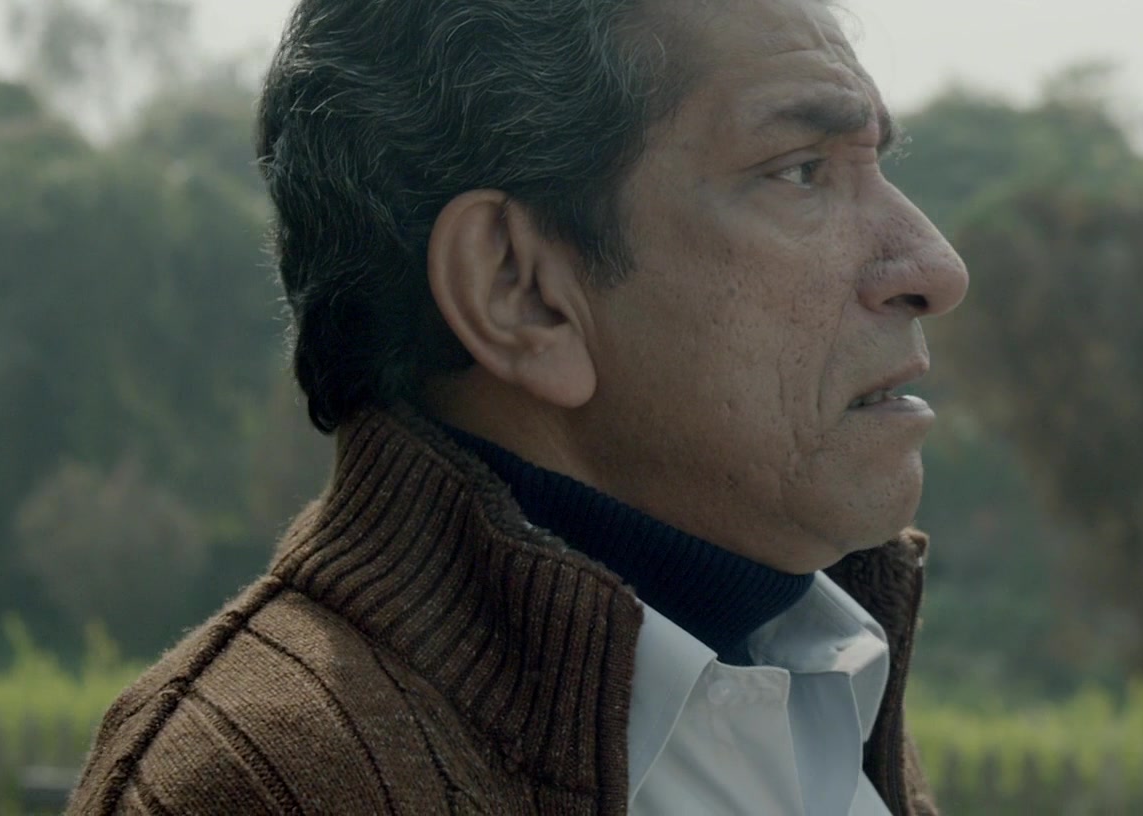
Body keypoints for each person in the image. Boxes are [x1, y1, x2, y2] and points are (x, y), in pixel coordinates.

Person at [66, 0, 968, 811]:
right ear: (519, 291)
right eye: (801, 171)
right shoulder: (263, 788)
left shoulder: (817, 674)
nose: (935, 266)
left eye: (877, 165)